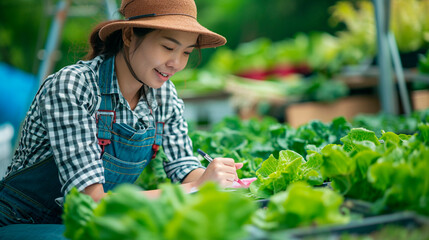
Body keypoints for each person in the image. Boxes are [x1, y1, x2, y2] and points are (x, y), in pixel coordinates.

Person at [0, 0, 242, 228]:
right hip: (21, 222)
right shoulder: (73, 86)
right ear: (128, 35)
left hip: (82, 225)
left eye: (187, 52)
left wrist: (218, 178)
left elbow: (183, 166)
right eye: (168, 47)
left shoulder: (163, 94)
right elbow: (91, 202)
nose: (176, 63)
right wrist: (198, 186)